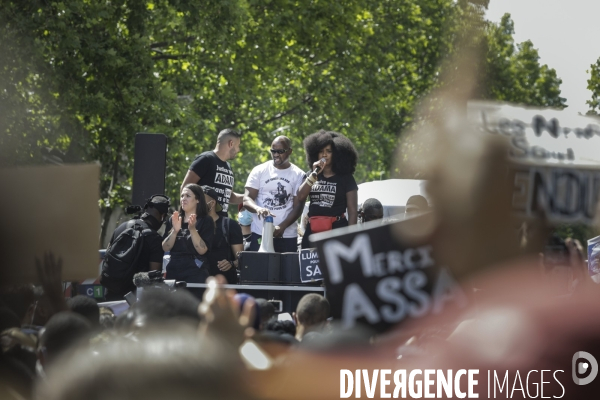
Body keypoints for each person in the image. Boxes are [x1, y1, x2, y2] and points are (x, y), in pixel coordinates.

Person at [296, 130, 359, 249]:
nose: (324, 155)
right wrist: (313, 175)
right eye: (321, 151)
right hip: (313, 231)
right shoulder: (311, 175)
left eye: (328, 151)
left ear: (336, 154)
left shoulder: (346, 178)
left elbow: (352, 211)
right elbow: (300, 196)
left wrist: (350, 237)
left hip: (337, 230)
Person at [243, 136, 305, 253]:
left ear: (290, 151)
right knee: (261, 270)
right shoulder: (259, 170)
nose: (276, 154)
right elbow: (247, 199)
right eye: (273, 151)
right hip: (260, 234)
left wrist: (282, 227)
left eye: (280, 151)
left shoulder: (298, 175)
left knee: (285, 271)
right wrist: (258, 209)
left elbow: (298, 206)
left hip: (287, 236)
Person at [102, 195, 169, 301]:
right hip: (135, 300)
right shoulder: (155, 239)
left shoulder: (121, 227)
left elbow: (107, 255)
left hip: (110, 293)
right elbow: (154, 277)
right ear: (162, 216)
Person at [180, 128, 243, 216]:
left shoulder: (228, 167)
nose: (238, 150)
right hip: (202, 222)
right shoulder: (206, 159)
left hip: (221, 223)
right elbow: (185, 188)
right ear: (231, 143)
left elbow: (228, 196)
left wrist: (248, 198)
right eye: (238, 145)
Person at [162, 184, 215, 284]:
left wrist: (192, 229)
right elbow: (165, 247)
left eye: (188, 196)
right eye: (182, 196)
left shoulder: (206, 220)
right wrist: (174, 231)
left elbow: (202, 250)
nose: (183, 199)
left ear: (198, 200)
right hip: (173, 271)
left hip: (195, 272)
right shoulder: (174, 219)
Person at [202, 185, 243, 284]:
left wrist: (231, 263)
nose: (196, 203)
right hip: (197, 281)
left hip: (223, 285)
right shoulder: (191, 224)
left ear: (212, 203)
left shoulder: (230, 225)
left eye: (200, 199)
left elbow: (242, 259)